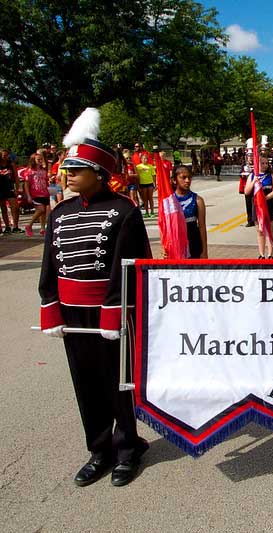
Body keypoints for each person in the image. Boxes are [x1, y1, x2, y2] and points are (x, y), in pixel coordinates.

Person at [38, 108, 151, 487]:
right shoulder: (60, 213)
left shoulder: (124, 211)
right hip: (71, 313)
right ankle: (99, 449)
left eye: (76, 170)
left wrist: (115, 313)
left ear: (99, 174)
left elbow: (133, 267)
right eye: (67, 170)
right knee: (85, 383)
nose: (67, 176)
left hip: (111, 314)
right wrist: (50, 307)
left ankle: (128, 448)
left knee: (118, 383)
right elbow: (49, 265)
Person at [243, 157, 273, 259]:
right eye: (262, 163)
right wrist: (253, 181)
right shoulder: (252, 175)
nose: (265, 165)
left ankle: (270, 254)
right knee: (260, 230)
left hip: (269, 204)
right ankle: (261, 254)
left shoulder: (271, 175)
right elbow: (246, 191)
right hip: (257, 205)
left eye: (266, 163)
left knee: (269, 230)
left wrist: (266, 198)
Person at [172, 165, 207, 259]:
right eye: (183, 178)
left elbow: (202, 227)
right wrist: (164, 247)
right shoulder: (169, 201)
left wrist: (204, 251)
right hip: (176, 245)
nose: (187, 181)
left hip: (193, 244)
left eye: (189, 177)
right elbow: (164, 227)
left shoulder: (198, 200)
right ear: (174, 180)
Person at [22, 153, 51, 236]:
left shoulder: (43, 170)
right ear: (33, 160)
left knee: (44, 212)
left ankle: (42, 228)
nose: (40, 161)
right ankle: (29, 225)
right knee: (40, 210)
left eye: (41, 159)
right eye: (38, 160)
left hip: (44, 193)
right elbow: (26, 184)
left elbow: (46, 181)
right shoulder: (29, 171)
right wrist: (28, 195)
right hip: (35, 193)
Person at [0, 148, 22, 233]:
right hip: (1, 188)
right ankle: (7, 226)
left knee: (15, 207)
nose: (5, 157)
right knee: (3, 208)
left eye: (7, 155)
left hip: (9, 187)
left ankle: (15, 226)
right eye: (3, 155)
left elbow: (16, 177)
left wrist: (17, 188)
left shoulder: (11, 164)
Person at [135, 153, 156, 217]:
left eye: (146, 158)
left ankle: (152, 212)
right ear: (141, 159)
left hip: (150, 184)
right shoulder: (138, 167)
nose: (145, 160)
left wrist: (155, 184)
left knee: (150, 198)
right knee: (145, 199)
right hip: (142, 184)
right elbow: (137, 177)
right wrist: (138, 186)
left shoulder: (151, 166)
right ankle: (146, 212)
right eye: (144, 158)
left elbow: (154, 175)